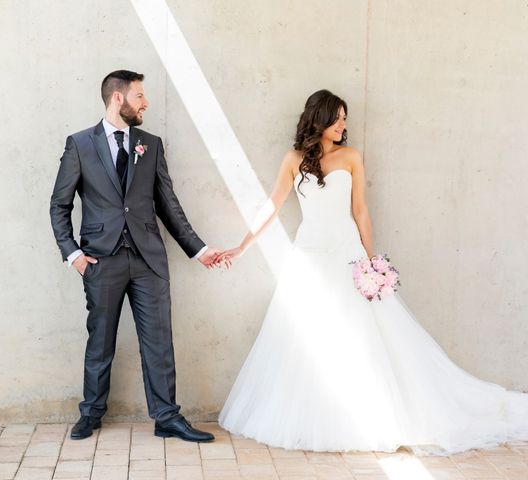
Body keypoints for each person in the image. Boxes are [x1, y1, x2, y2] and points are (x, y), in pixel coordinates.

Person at [217, 90, 528, 454]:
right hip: (310, 256)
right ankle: (321, 416)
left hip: (347, 256)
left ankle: (367, 414)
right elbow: (272, 205)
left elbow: (361, 210)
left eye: (345, 119)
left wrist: (370, 262)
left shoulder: (351, 157)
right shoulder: (293, 159)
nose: (343, 126)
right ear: (318, 118)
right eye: (337, 118)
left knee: (362, 338)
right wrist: (242, 246)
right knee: (308, 338)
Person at [50, 70, 218, 442]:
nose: (146, 103)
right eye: (140, 96)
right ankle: (91, 413)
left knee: (159, 342)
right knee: (101, 342)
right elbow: (59, 205)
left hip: (148, 261)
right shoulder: (80, 144)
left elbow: (168, 205)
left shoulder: (150, 144)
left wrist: (199, 250)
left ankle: (167, 418)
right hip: (100, 260)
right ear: (118, 98)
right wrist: (73, 254)